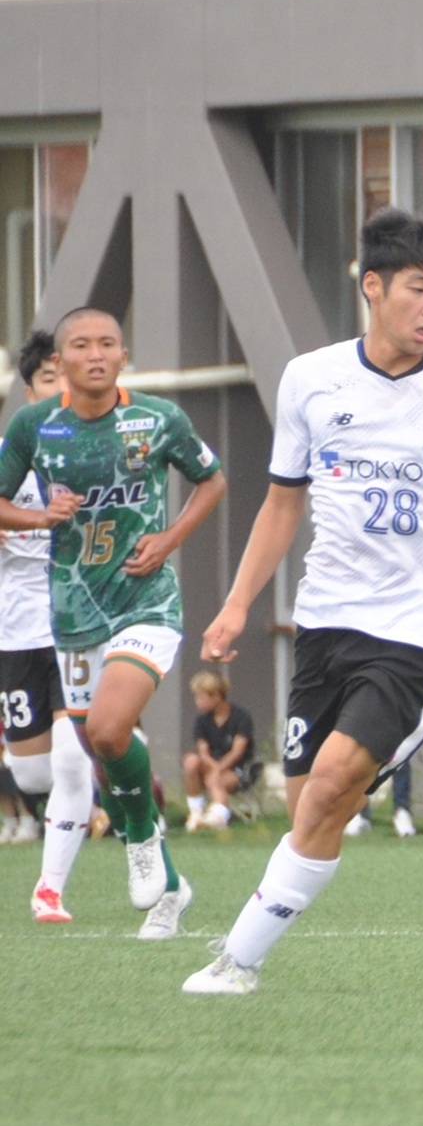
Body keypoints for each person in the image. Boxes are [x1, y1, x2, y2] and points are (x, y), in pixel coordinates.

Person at [184, 210, 423, 996]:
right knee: (307, 804)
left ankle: (236, 960)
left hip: (417, 629)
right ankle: (245, 951)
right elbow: (283, 502)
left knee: (328, 788)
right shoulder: (310, 378)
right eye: (418, 288)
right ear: (372, 286)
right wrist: (237, 603)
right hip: (325, 621)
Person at [0, 306, 226, 939]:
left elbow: (211, 482)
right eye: (81, 345)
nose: (95, 354)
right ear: (59, 361)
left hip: (146, 602)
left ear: (124, 356)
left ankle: (141, 842)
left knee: (107, 727)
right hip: (73, 613)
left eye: (107, 344)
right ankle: (170, 887)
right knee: (97, 750)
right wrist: (41, 517)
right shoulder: (34, 427)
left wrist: (169, 539)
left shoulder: (157, 418)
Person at [0, 331, 96, 919]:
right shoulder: (10, 453)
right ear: (29, 390)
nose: (62, 389)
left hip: (75, 625)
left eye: (68, 377)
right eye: (49, 380)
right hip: (16, 632)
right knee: (33, 774)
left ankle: (49, 888)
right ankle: (120, 757)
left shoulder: (95, 450)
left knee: (69, 757)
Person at [181, 669, 257, 831]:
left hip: (237, 769)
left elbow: (237, 752)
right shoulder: (201, 721)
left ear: (215, 695)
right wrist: (215, 768)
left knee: (214, 780)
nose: (197, 702)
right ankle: (196, 812)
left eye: (200, 697)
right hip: (212, 765)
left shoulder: (241, 717)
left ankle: (218, 817)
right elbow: (203, 752)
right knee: (190, 761)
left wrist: (218, 769)